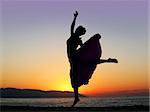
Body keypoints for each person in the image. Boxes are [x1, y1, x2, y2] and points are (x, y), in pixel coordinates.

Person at [67, 11, 118, 107]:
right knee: (74, 78)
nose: (76, 30)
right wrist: (75, 17)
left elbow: (84, 47)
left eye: (78, 30)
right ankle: (76, 98)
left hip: (76, 58)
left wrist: (83, 47)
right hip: (73, 59)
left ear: (79, 32)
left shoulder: (76, 38)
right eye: (77, 29)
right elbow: (72, 26)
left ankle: (108, 60)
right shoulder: (73, 36)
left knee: (87, 65)